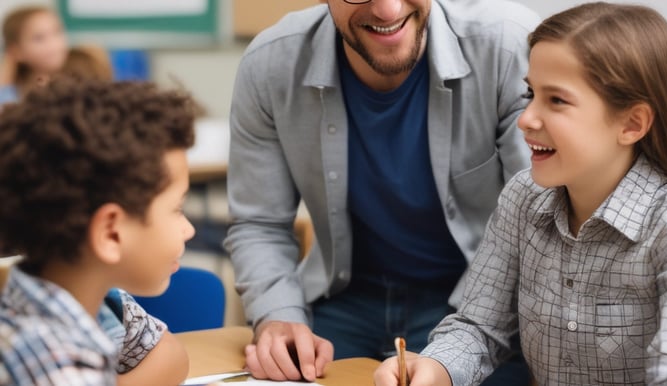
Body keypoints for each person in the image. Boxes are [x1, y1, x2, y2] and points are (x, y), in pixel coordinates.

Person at [373, 2, 667, 385]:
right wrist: (435, 367)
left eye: (556, 100)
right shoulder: (523, 197)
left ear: (632, 123)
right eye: (530, 94)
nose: (526, 118)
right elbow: (478, 326)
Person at [226, 0, 538, 383]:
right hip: (342, 304)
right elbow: (260, 224)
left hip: (477, 305)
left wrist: (457, 345)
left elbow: (537, 227)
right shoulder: (270, 64)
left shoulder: (509, 48)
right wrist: (277, 316)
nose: (388, 11)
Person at [0, 79, 197, 386]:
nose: (189, 230)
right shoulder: (59, 371)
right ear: (111, 233)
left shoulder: (92, 302)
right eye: (177, 209)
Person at [0, 6, 68, 105]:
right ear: (16, 52)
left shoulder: (76, 83)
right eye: (39, 38)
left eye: (57, 32)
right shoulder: (11, 98)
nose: (54, 44)